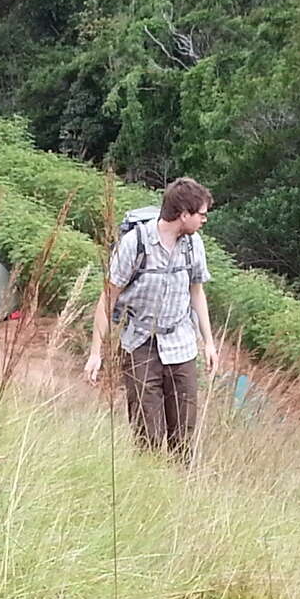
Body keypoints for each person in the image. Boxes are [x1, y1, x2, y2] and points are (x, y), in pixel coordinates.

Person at [85, 177, 221, 456]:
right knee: (147, 432)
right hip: (140, 343)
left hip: (181, 343)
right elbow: (107, 298)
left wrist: (208, 342)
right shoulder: (135, 244)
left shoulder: (194, 246)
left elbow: (197, 292)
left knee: (183, 431)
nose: (204, 221)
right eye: (201, 214)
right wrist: (95, 353)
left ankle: (178, 487)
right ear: (184, 214)